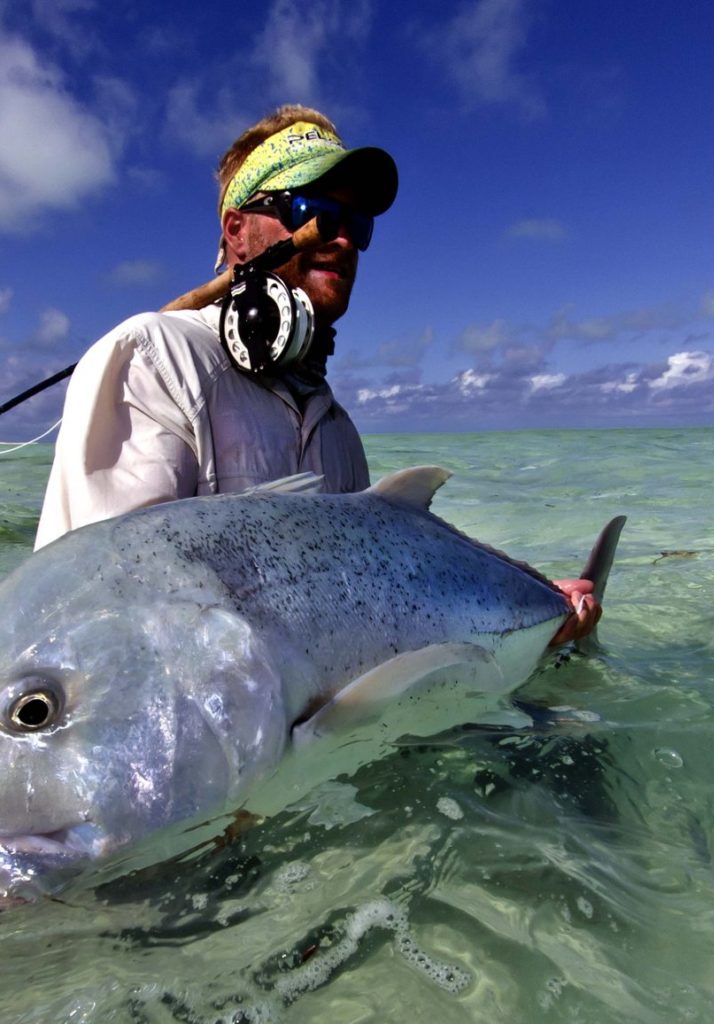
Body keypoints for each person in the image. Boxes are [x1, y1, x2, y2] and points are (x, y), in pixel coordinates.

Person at [35, 104, 599, 643]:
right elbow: (101, 626)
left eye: (359, 223)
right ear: (236, 230)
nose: (346, 239)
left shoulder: (339, 432)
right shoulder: (156, 359)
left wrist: (537, 608)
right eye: (316, 213)